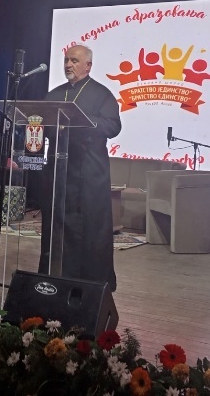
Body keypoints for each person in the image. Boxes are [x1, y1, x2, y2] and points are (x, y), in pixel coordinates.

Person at [40, 45, 122, 291]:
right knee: (56, 227)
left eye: (74, 61)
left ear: (88, 66)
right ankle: (53, 278)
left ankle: (91, 284)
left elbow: (113, 126)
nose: (68, 65)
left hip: (89, 173)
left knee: (90, 229)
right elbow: (40, 123)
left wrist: (84, 122)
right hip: (59, 173)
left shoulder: (102, 94)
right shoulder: (54, 94)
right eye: (66, 60)